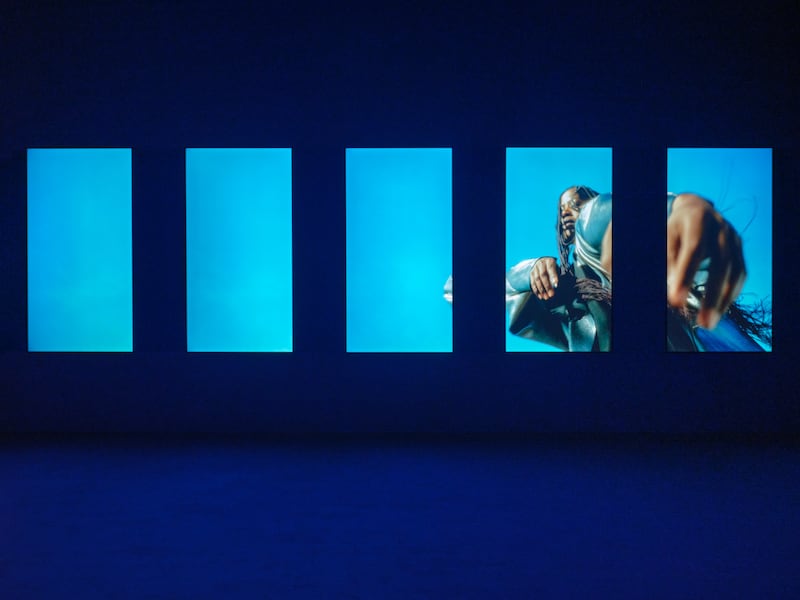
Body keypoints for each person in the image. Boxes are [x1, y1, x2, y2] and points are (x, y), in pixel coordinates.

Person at [506, 186, 612, 351]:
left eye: (576, 204)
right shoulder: (567, 289)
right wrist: (531, 270)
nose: (565, 213)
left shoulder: (596, 221)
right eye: (562, 209)